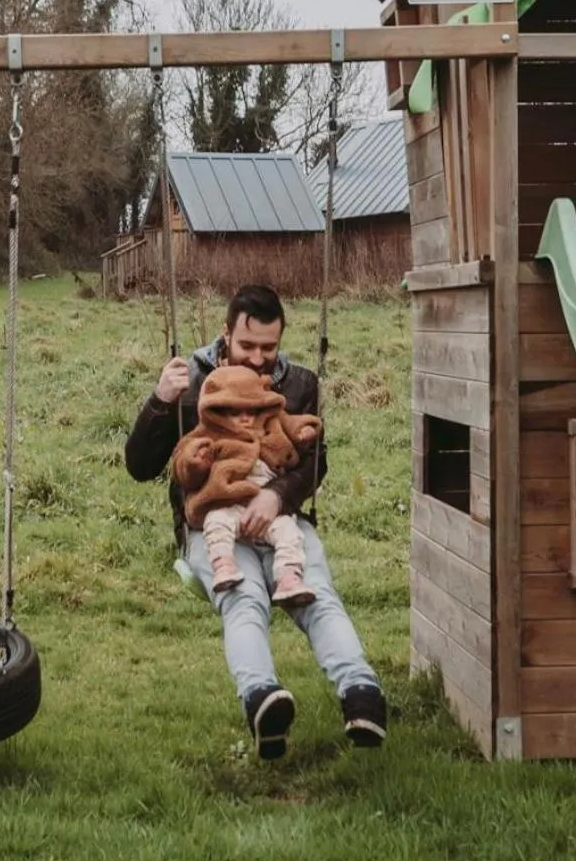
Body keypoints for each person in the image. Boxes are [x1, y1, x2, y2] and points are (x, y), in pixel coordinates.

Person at [126, 284, 388, 760]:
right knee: (243, 597)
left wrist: (278, 495)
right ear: (225, 335)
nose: (257, 359)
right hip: (213, 525)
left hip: (280, 519)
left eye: (269, 348)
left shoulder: (299, 384)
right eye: (247, 346)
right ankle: (262, 701)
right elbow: (140, 466)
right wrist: (160, 400)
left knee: (316, 593)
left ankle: (362, 694)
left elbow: (314, 463)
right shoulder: (191, 381)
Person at [171, 364, 321, 608]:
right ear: (217, 411)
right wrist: (195, 461)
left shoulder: (271, 423)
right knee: (215, 523)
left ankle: (289, 578)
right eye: (234, 412)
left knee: (290, 533)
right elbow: (181, 463)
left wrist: (303, 432)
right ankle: (223, 566)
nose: (245, 418)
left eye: (250, 410)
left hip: (266, 508)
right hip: (228, 502)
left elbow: (293, 425)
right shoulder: (208, 433)